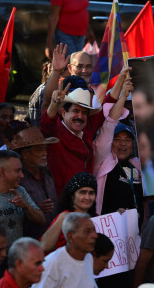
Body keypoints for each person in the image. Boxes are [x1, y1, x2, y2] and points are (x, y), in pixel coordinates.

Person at [41, 65, 125, 195]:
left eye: (84, 112)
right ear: (63, 112)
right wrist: (54, 103)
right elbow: (46, 121)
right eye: (75, 111)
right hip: (62, 201)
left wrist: (122, 77)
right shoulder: (54, 130)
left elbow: (108, 103)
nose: (80, 116)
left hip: (86, 199)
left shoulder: (87, 127)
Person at [93, 77, 142, 218]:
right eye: (117, 139)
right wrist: (123, 95)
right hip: (109, 233)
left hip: (136, 235)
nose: (122, 144)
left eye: (127, 140)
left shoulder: (138, 165)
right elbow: (109, 127)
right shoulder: (102, 162)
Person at [12, 127, 59, 238]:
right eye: (39, 150)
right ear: (25, 154)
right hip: (30, 240)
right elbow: (9, 215)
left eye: (45, 149)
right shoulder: (18, 179)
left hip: (53, 239)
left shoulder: (47, 172)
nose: (45, 153)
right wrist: (34, 210)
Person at [40, 172, 97, 253]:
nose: (87, 197)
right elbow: (44, 246)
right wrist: (63, 217)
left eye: (91, 193)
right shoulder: (64, 216)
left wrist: (119, 216)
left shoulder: (96, 218)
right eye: (82, 192)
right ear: (72, 195)